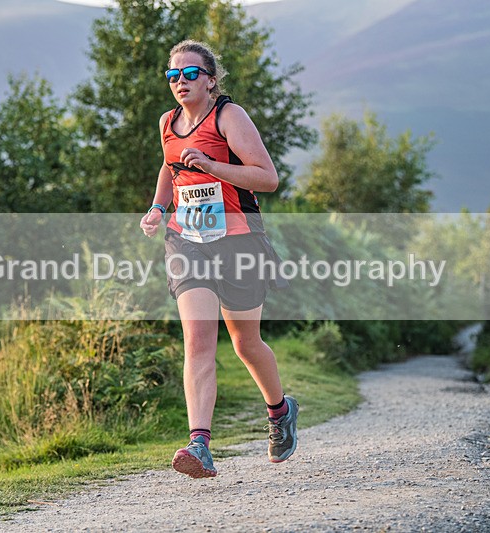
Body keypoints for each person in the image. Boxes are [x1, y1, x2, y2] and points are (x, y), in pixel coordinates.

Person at [139, 40, 298, 479]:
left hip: (239, 241)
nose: (181, 83)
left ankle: (280, 410)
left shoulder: (229, 116)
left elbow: (266, 177)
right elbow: (169, 166)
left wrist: (213, 166)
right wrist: (158, 207)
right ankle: (200, 444)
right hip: (187, 242)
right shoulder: (167, 122)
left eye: (190, 74)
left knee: (246, 344)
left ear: (211, 79)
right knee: (199, 340)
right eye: (173, 75)